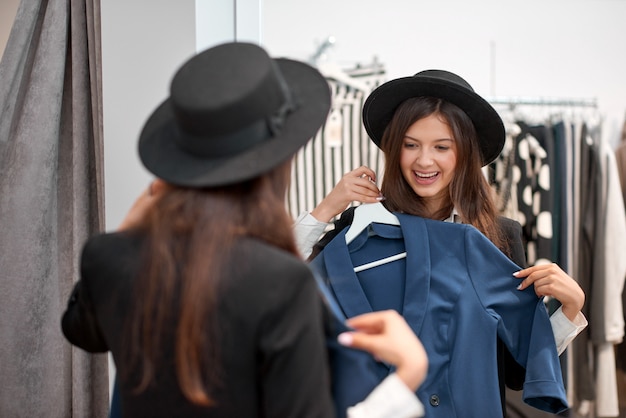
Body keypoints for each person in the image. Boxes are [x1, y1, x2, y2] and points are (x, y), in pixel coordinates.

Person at [61, 42, 428, 418]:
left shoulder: (109, 256)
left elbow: (81, 331)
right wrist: (406, 379)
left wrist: (132, 227)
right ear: (278, 163)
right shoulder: (280, 283)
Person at [293, 69, 588, 416]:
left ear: (464, 153)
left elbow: (516, 372)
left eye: (441, 147)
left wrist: (569, 311)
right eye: (411, 145)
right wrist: (326, 209)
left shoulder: (497, 237)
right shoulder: (354, 228)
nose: (424, 160)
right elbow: (278, 286)